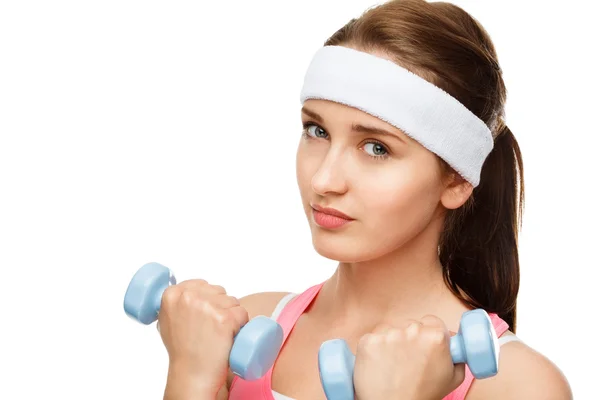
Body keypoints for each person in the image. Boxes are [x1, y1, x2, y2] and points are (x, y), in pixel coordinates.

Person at [158, 0, 572, 399]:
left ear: (458, 180)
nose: (324, 180)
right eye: (316, 131)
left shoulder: (518, 386)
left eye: (376, 148)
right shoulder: (246, 326)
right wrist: (191, 379)